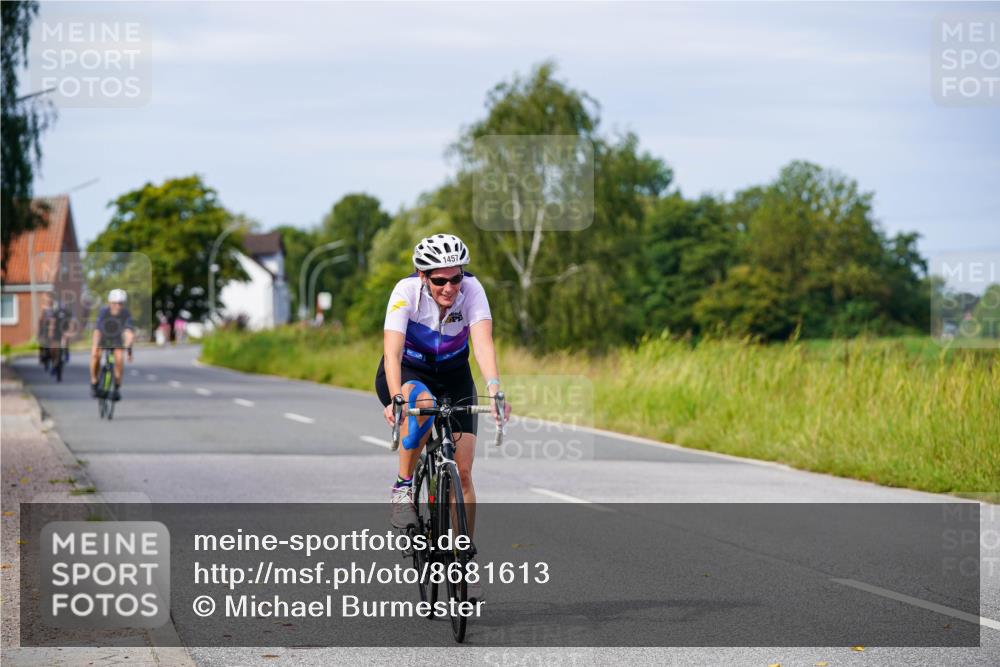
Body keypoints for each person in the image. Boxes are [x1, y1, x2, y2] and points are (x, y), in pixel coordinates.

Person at [376, 234, 511, 598]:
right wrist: (395, 397)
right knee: (418, 406)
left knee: (463, 471)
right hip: (409, 372)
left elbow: (482, 342)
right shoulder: (405, 292)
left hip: (454, 375)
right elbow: (392, 352)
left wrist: (496, 389)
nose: (449, 287)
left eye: (455, 278)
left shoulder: (472, 290)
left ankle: (463, 556)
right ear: (423, 276)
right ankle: (403, 487)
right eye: (440, 280)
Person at [90, 289, 135, 400]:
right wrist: (95, 347)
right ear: (109, 303)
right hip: (104, 336)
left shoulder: (125, 314)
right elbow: (97, 331)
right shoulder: (104, 312)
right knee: (95, 355)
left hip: (117, 338)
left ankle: (116, 387)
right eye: (114, 303)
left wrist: (129, 350)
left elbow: (129, 333)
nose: (117, 306)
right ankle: (94, 381)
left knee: (119, 358)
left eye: (120, 304)